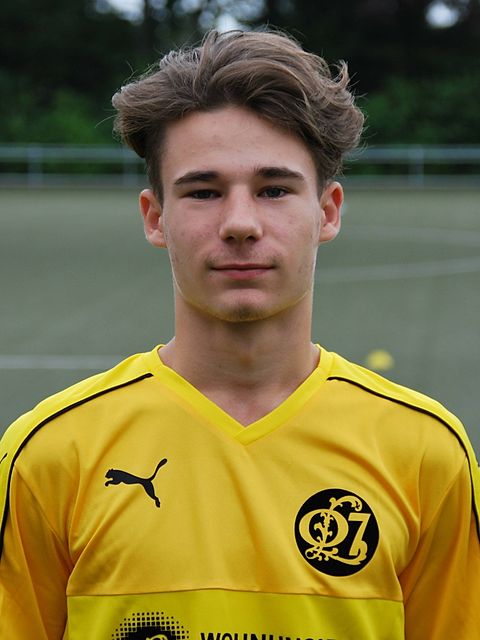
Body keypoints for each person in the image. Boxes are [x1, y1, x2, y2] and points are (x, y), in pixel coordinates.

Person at [0, 28, 479, 640]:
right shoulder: (50, 453)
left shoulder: (426, 453)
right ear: (156, 217)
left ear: (327, 211)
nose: (240, 223)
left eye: (274, 190)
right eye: (203, 192)